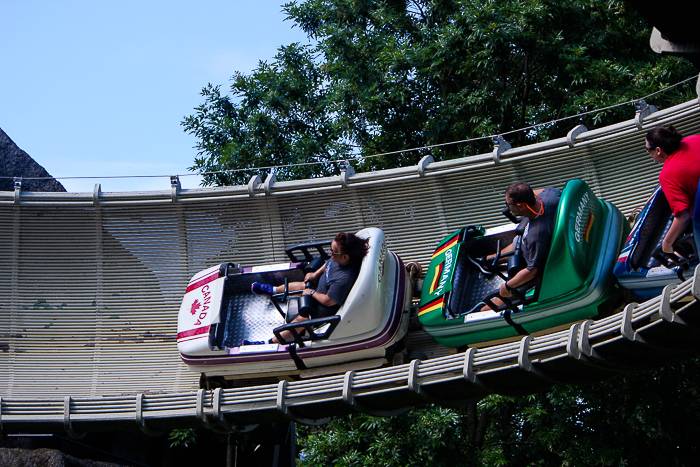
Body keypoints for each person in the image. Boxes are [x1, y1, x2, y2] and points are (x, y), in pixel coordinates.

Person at [251, 232, 370, 343]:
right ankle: (273, 290)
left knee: (301, 319)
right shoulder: (338, 259)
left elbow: (329, 301)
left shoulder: (344, 278)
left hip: (322, 307)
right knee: (302, 285)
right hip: (319, 288)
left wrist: (311, 292)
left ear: (345, 257)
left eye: (333, 252)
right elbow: (328, 264)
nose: (330, 254)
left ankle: (267, 343)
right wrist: (315, 275)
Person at [482, 181, 561, 310]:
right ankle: (490, 260)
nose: (508, 208)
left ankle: (482, 310)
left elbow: (532, 270)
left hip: (535, 270)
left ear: (520, 206)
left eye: (509, 205)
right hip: (526, 244)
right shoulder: (549, 195)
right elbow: (535, 192)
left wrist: (507, 286)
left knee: (488, 307)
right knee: (517, 241)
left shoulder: (536, 236)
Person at [645, 125, 700, 254]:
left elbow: (683, 217)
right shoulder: (693, 140)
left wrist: (667, 242)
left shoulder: (667, 175)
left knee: (674, 253)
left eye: (648, 150)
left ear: (658, 150)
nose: (647, 153)